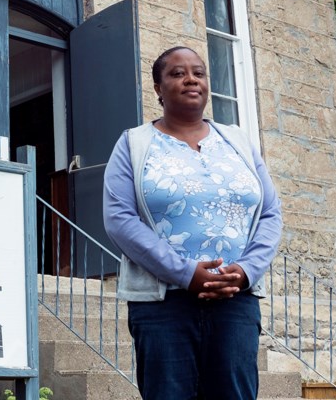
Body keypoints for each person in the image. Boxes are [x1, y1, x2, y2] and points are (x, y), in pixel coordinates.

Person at [103, 46, 282, 400]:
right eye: (177, 73)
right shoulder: (133, 144)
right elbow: (119, 218)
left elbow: (271, 214)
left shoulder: (239, 142)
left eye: (198, 73)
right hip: (162, 305)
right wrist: (186, 273)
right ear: (158, 87)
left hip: (236, 300)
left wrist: (246, 270)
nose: (190, 79)